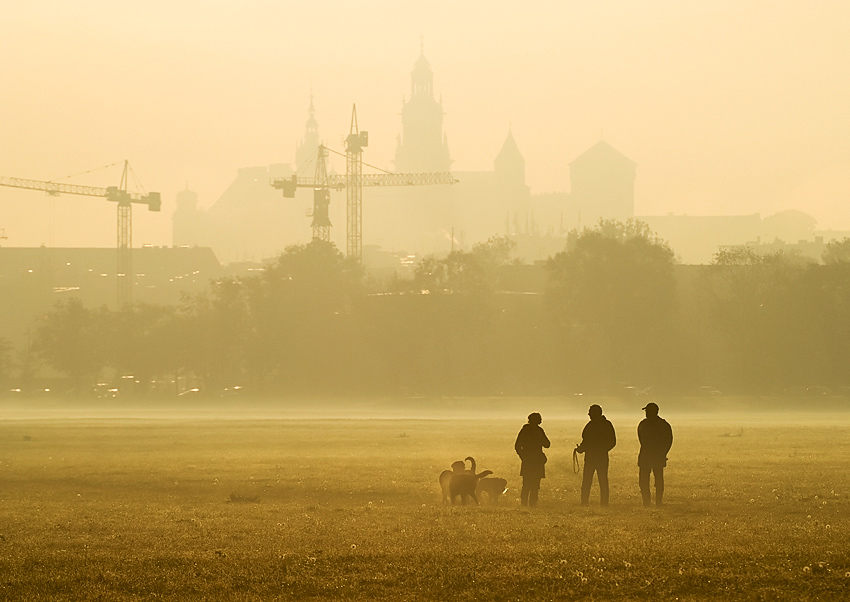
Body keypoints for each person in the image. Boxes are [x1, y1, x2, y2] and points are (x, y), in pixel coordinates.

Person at [575, 404, 616, 507]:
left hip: (594, 457)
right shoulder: (602, 425)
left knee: (590, 481)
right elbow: (586, 442)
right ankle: (599, 503)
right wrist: (581, 448)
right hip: (597, 457)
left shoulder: (593, 425)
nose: (588, 414)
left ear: (596, 413)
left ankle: (587, 503)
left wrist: (598, 449)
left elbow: (612, 442)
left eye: (590, 412)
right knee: (598, 481)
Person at [637, 402, 673, 508]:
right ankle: (657, 502)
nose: (646, 413)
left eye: (647, 411)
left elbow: (641, 439)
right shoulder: (664, 425)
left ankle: (647, 502)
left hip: (645, 456)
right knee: (658, 481)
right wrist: (663, 453)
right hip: (658, 456)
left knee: (644, 481)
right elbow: (669, 441)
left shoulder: (643, 424)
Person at [514, 412, 550, 507]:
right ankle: (531, 503)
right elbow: (547, 444)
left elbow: (517, 446)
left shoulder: (525, 430)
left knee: (527, 484)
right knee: (534, 484)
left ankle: (525, 503)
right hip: (536, 460)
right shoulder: (538, 430)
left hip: (529, 461)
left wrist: (523, 457)